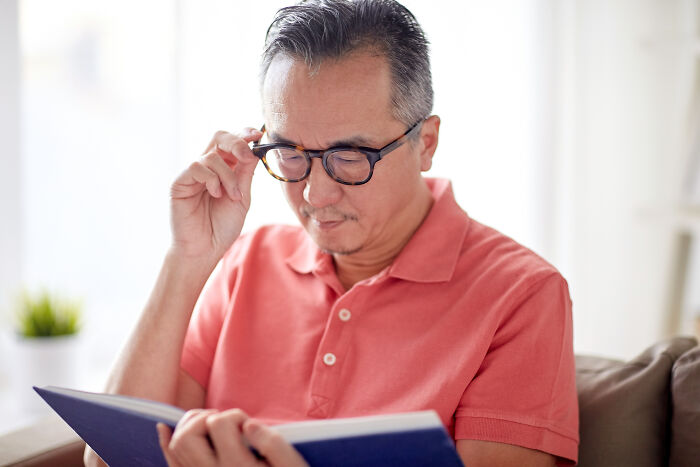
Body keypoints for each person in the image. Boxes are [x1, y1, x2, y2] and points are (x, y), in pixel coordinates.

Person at [85, 1, 579, 465]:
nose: (315, 194)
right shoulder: (247, 261)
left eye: (350, 157)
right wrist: (187, 258)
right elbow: (107, 458)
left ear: (425, 144)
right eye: (291, 154)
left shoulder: (522, 295)